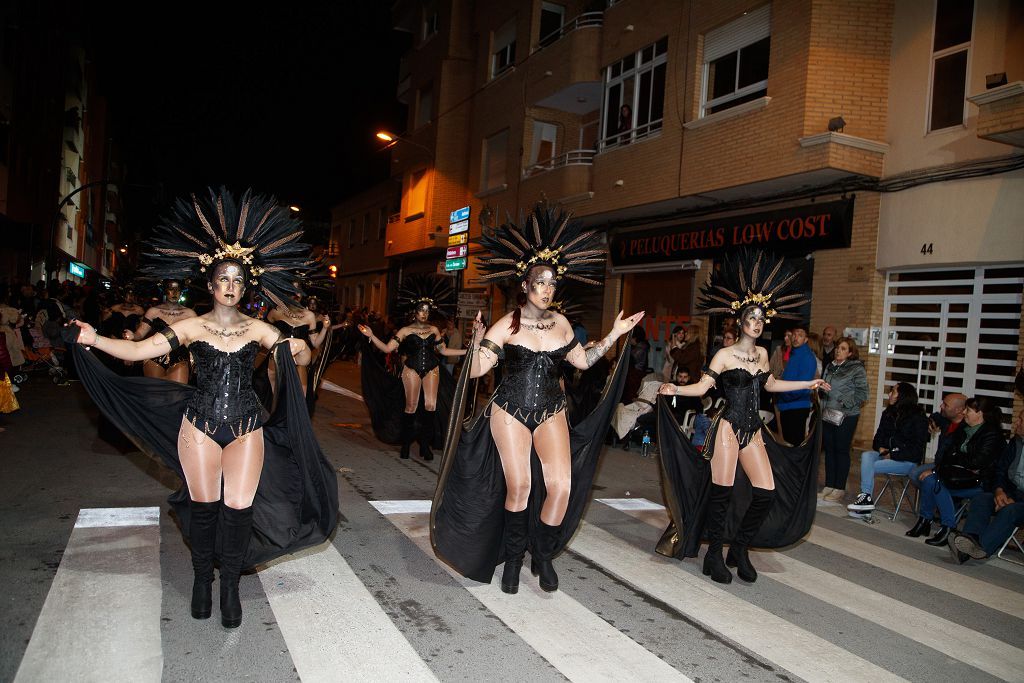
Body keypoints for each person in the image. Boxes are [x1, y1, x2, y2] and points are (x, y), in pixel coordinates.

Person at [67, 187, 338, 629]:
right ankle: (200, 581)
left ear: (244, 285)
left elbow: (302, 356)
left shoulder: (260, 329)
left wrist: (297, 350)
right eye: (222, 280)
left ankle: (230, 586)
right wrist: (93, 338)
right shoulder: (191, 326)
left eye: (237, 280)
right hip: (199, 428)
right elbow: (139, 353)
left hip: (247, 428)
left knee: (238, 509)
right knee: (206, 506)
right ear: (210, 285)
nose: (230, 287)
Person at [431, 205, 643, 595]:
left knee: (560, 485)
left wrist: (614, 334)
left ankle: (541, 555)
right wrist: (475, 342)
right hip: (509, 410)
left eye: (552, 284)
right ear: (525, 285)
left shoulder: (561, 323)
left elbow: (581, 360)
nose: (547, 290)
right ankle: (513, 559)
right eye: (541, 283)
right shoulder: (507, 323)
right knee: (521, 487)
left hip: (551, 409)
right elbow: (477, 371)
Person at [657, 251, 829, 584]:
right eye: (751, 317)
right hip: (727, 427)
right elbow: (703, 387)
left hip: (753, 429)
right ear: (740, 322)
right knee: (722, 494)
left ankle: (740, 548)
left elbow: (773, 384)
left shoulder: (763, 354)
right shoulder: (724, 354)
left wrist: (810, 382)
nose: (757, 322)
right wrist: (673, 390)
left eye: (761, 319)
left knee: (766, 491)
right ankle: (713, 555)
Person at [359, 274, 465, 460]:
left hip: (432, 368)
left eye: (427, 310)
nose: (424, 313)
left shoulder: (433, 330)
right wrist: (371, 335)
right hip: (411, 370)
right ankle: (406, 445)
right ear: (414, 312)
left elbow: (444, 350)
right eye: (420, 310)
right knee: (411, 406)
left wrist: (467, 351)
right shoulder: (405, 331)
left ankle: (425, 446)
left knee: (431, 405)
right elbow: (387, 348)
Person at [908, 396, 1006, 546]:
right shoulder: (963, 428)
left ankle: (947, 527)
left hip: (979, 482)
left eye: (969, 410)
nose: (965, 413)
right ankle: (925, 520)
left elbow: (977, 462)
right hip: (956, 476)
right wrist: (956, 460)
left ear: (980, 413)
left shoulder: (992, 434)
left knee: (936, 483)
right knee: (930, 480)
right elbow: (947, 453)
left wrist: (956, 458)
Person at [947, 410, 1024, 563]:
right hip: (1011, 492)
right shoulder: (1016, 443)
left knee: (1010, 511)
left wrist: (1012, 500)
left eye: (1021, 420)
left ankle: (981, 548)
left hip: (1019, 501)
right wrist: (999, 491)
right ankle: (969, 541)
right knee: (982, 498)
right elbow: (1000, 471)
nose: (1017, 423)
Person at [846, 382, 929, 513]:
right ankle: (866, 498)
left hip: (907, 461)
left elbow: (916, 451)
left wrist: (893, 454)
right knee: (866, 455)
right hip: (886, 455)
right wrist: (880, 448)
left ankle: (865, 500)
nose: (889, 394)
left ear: (902, 395)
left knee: (870, 466)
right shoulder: (888, 413)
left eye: (893, 392)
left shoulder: (917, 416)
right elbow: (878, 438)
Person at [818, 337, 869, 502]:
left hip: (846, 415)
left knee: (841, 450)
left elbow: (863, 394)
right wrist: (821, 390)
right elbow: (826, 387)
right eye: (837, 348)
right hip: (828, 413)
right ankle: (829, 485)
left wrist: (843, 402)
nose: (838, 351)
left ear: (850, 352)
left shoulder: (856, 368)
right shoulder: (830, 366)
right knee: (830, 450)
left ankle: (839, 487)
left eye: (843, 348)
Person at [129, 280, 197, 383]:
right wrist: (132, 335)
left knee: (177, 394)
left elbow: (195, 338)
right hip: (154, 355)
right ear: (165, 291)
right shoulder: (153, 311)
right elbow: (140, 334)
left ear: (181, 292)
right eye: (171, 289)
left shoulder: (190, 313)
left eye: (177, 290)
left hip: (180, 356)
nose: (174, 293)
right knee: (155, 395)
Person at [267, 291, 330, 397]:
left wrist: (324, 328)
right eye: (291, 290)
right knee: (276, 396)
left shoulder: (309, 315)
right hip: (278, 357)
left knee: (300, 396)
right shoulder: (276, 311)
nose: (296, 294)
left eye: (298, 291)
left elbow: (315, 343)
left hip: (299, 358)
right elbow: (265, 332)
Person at [908, 392, 967, 495]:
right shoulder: (947, 421)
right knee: (915, 474)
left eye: (945, 405)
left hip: (953, 468)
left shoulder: (965, 429)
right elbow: (936, 415)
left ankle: (941, 498)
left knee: (925, 478)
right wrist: (931, 421)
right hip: (939, 464)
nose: (941, 406)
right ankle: (937, 496)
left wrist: (936, 471)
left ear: (958, 410)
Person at [777, 325, 816, 445]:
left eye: (800, 335)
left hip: (797, 405)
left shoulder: (807, 357)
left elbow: (803, 385)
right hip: (787, 404)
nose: (795, 338)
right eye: (794, 334)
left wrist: (783, 394)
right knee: (788, 443)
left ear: (805, 339)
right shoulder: (794, 354)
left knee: (795, 444)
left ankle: (796, 464)